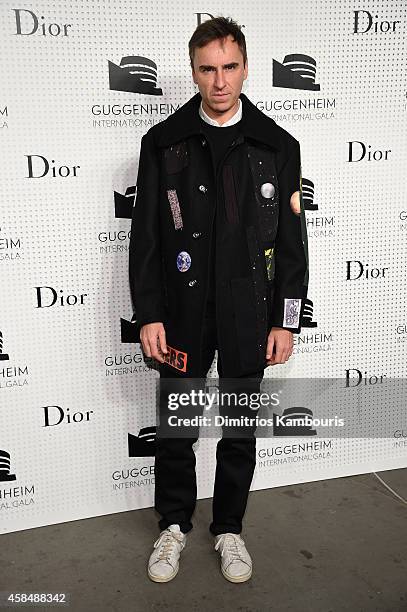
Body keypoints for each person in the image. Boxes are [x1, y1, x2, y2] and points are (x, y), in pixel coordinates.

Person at [129, 16, 308, 583]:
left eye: (230, 67)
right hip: (181, 312)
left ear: (246, 68)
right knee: (176, 424)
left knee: (239, 428)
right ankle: (173, 525)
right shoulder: (162, 142)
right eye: (208, 69)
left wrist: (286, 322)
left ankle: (229, 527)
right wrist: (150, 314)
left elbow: (291, 243)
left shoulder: (278, 145)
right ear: (193, 71)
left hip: (248, 314)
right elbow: (147, 237)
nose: (220, 80)